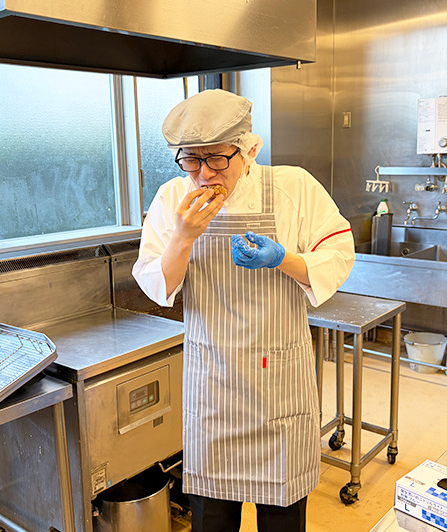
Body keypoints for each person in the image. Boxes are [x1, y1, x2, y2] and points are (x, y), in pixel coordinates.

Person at [132, 89, 355, 532]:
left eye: (217, 159)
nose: (203, 174)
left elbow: (338, 255)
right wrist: (183, 237)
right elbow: (158, 286)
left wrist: (283, 259)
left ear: (248, 149)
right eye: (190, 160)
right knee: (212, 518)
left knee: (281, 519)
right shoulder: (172, 198)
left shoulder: (293, 187)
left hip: (278, 384)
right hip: (213, 385)